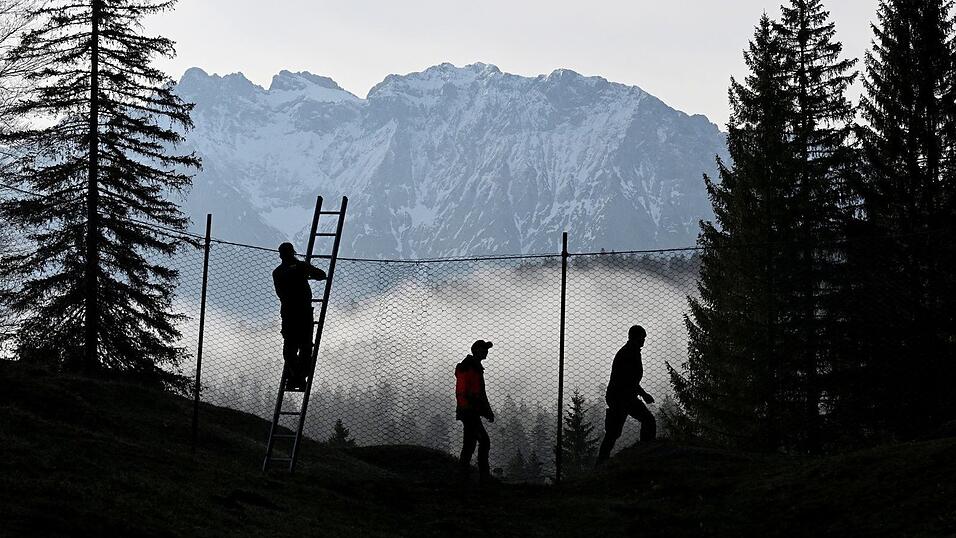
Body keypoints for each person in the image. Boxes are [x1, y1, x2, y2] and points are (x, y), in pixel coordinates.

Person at [596, 324, 656, 464]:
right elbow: (629, 380)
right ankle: (644, 454)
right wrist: (644, 394)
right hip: (621, 397)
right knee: (645, 422)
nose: (644, 341)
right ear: (636, 337)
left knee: (613, 433)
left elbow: (631, 380)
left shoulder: (630, 351)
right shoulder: (629, 353)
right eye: (642, 338)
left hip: (622, 396)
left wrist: (641, 394)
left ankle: (602, 462)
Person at [272, 242, 326, 391]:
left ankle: (296, 378)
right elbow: (321, 275)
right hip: (302, 313)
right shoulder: (301, 267)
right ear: (293, 252)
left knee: (291, 350)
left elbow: (281, 294)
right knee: (305, 348)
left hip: (289, 314)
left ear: (281, 255)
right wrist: (306, 274)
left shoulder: (278, 272)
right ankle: (299, 378)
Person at [455, 339, 495, 482]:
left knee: (470, 444)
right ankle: (483, 476)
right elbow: (470, 392)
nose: (486, 352)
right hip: (469, 411)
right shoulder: (468, 367)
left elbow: (479, 394)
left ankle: (463, 476)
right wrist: (484, 410)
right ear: (476, 350)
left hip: (470, 411)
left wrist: (486, 411)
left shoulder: (473, 367)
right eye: (484, 349)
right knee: (483, 441)